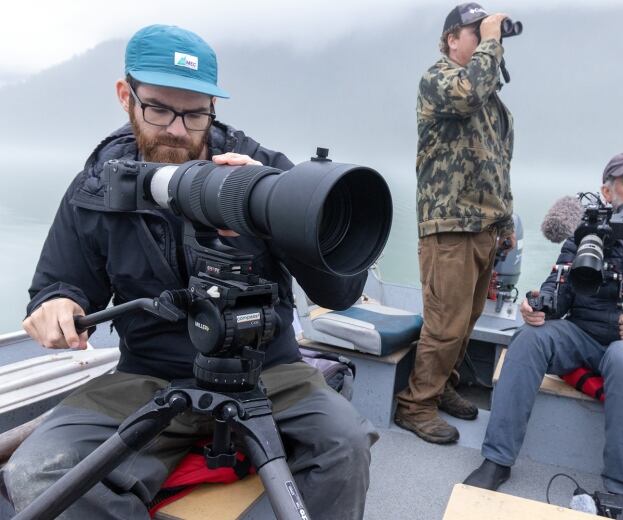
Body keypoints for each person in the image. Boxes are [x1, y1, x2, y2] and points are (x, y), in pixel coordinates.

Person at [2, 25, 377, 520]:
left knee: (345, 444)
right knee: (40, 470)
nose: (178, 128)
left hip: (269, 368)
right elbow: (60, 283)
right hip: (149, 374)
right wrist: (57, 304)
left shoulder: (260, 169)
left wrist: (272, 212)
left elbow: (342, 288)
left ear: (212, 108)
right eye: (158, 108)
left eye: (195, 112)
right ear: (126, 96)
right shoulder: (100, 184)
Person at [464, 151, 623, 520]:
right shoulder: (586, 234)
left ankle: (622, 491)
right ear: (608, 192)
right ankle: (496, 460)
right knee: (529, 338)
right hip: (583, 337)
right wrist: (538, 306)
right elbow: (558, 290)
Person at [393, 2, 517, 445]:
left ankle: (442, 387)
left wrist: (505, 222)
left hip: (485, 227)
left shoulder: (494, 104)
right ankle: (416, 405)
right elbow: (467, 93)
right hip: (449, 225)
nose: (488, 40)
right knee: (445, 324)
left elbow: (499, 165)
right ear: (452, 40)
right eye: (476, 33)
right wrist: (491, 41)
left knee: (467, 322)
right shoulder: (439, 78)